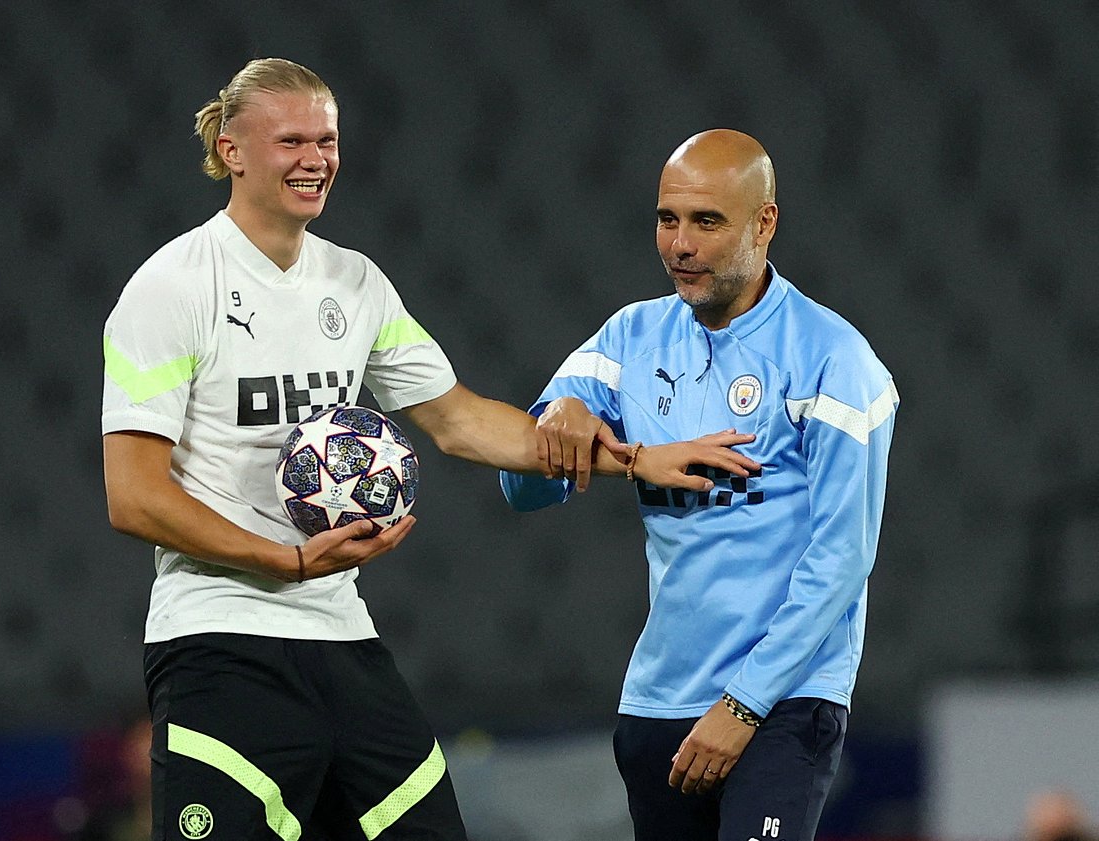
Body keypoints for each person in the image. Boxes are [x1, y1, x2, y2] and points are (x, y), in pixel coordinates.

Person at [101, 59, 748, 841]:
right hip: (218, 644)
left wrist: (638, 458)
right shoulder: (172, 285)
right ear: (232, 150)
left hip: (342, 639)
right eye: (292, 139)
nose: (316, 158)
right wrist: (285, 561)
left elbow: (461, 421)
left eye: (328, 139)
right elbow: (132, 494)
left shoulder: (355, 283)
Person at [500, 129, 899, 841]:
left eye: (706, 222)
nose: (679, 244)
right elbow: (521, 491)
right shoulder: (629, 340)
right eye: (667, 218)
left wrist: (743, 706)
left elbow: (843, 557)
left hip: (783, 700)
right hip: (660, 702)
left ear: (764, 222)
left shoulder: (836, 362)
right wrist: (558, 420)